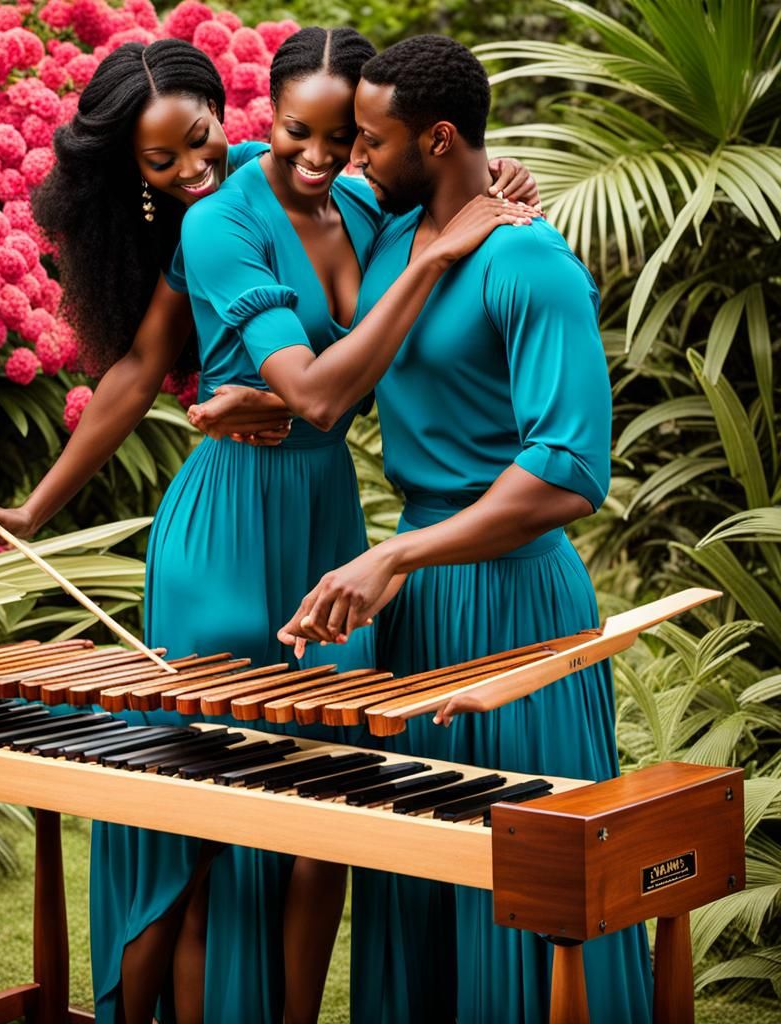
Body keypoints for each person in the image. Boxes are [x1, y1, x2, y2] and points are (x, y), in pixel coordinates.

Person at [0, 34, 538, 1024]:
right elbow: (150, 375)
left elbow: (420, 247)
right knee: (206, 817)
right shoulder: (219, 225)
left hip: (328, 530)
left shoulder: (360, 197)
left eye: (198, 140)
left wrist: (486, 173)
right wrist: (30, 506)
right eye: (161, 162)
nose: (191, 169)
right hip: (223, 534)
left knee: (327, 812)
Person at [275, 35, 653, 1024]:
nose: (353, 159)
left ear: (438, 138)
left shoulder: (529, 259)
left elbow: (568, 471)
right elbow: (253, 168)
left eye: (372, 139)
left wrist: (398, 548)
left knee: (524, 881)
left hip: (515, 599)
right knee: (418, 879)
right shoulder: (394, 235)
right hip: (419, 605)